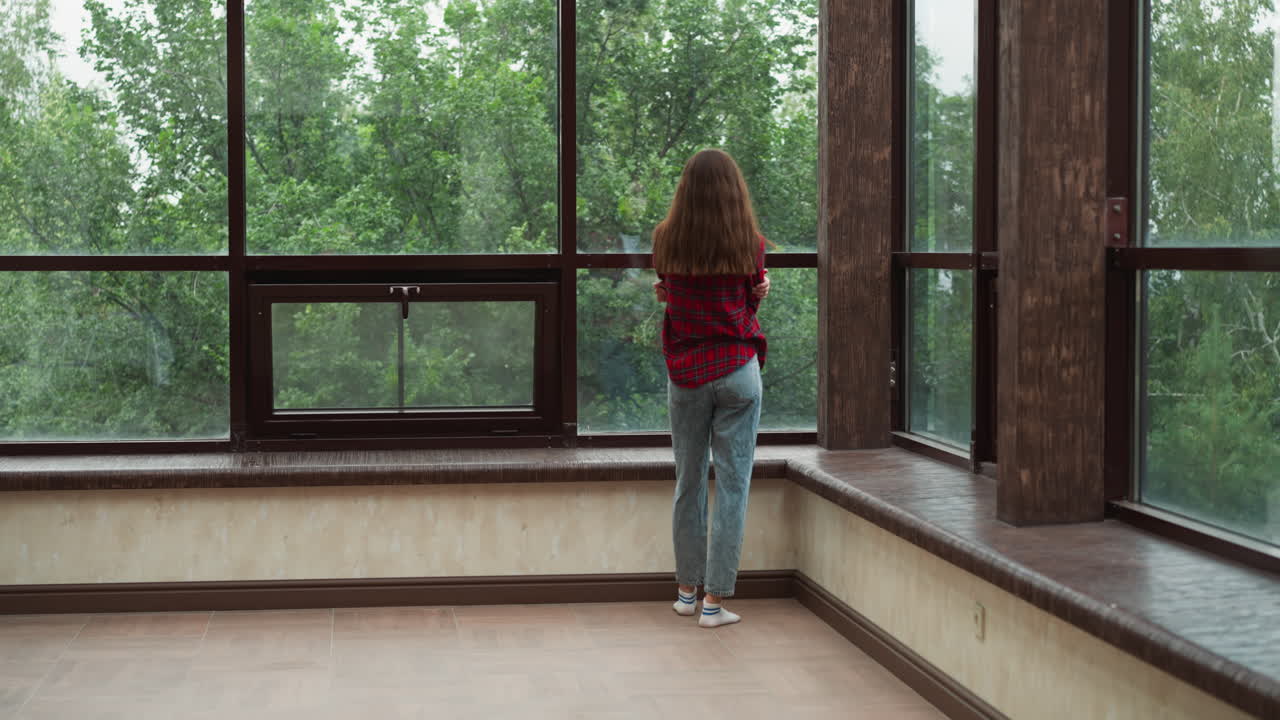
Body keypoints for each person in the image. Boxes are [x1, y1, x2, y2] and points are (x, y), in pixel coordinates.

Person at [651, 148, 770, 629]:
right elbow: (744, 305)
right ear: (734, 191)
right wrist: (758, 292)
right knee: (734, 486)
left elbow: (670, 293)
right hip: (738, 370)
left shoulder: (665, 240)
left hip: (687, 373)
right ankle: (715, 604)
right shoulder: (751, 243)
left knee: (689, 481)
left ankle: (685, 593)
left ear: (685, 191)